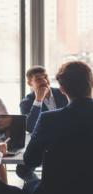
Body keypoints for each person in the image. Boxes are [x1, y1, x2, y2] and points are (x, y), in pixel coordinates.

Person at [22, 61, 93, 194]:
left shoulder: (48, 119)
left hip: (57, 188)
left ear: (62, 89)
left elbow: (30, 160)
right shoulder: (30, 104)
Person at [17, 66, 68, 182]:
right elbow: (30, 127)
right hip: (43, 144)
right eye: (39, 79)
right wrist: (38, 100)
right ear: (30, 83)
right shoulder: (26, 102)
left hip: (65, 140)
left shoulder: (63, 93)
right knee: (22, 169)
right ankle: (39, 186)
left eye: (45, 77)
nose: (44, 81)